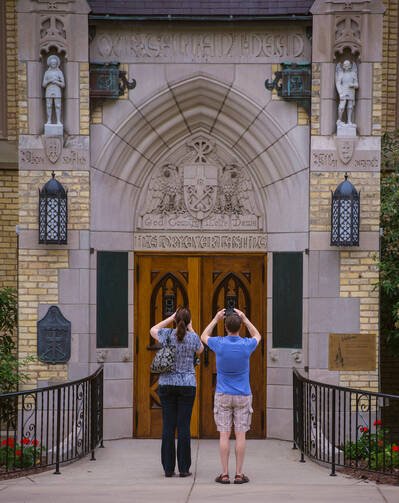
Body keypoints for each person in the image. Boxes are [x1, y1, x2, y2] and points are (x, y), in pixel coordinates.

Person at [200, 308, 261, 485]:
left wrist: (215, 319)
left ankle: (225, 474)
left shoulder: (219, 343)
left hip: (223, 394)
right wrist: (245, 318)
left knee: (224, 434)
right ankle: (239, 474)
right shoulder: (246, 345)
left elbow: (203, 336)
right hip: (243, 394)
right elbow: (258, 335)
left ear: (225, 328)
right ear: (240, 327)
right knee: (241, 435)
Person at [150, 307, 203, 478]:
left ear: (175, 320)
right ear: (188, 322)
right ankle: (184, 469)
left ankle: (168, 468)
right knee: (183, 426)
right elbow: (201, 349)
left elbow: (153, 330)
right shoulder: (193, 337)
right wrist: (191, 327)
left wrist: (170, 318)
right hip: (187, 385)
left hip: (167, 384)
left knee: (168, 425)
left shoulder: (166, 335)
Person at [42, 55, 65, 126]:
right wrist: (50, 81)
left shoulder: (59, 72)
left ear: (57, 64)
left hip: (57, 90)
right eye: (52, 63)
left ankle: (58, 120)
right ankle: (49, 120)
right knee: (49, 105)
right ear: (50, 64)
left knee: (58, 105)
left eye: (55, 63)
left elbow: (63, 84)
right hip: (49, 90)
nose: (53, 65)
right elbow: (43, 84)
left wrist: (56, 82)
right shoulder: (47, 73)